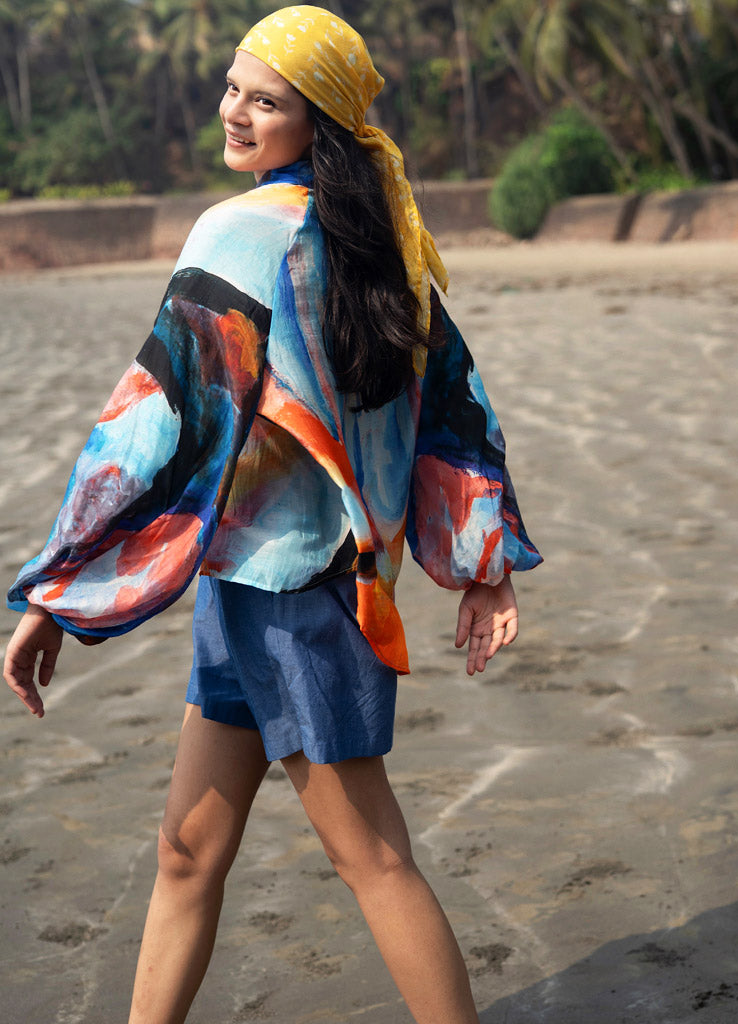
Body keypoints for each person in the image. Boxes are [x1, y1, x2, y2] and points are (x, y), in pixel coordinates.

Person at [3, 7, 541, 1023]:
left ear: (318, 123)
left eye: (266, 100)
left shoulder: (242, 232)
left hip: (298, 597)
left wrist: (56, 592)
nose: (235, 112)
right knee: (186, 850)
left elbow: (152, 421)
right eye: (233, 87)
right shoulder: (380, 236)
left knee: (372, 858)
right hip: (254, 587)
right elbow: (455, 406)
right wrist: (484, 564)